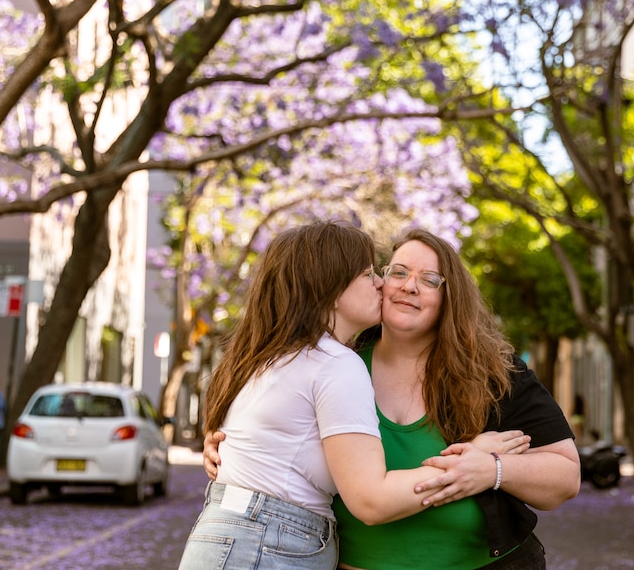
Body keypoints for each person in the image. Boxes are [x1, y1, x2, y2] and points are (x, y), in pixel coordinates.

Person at [205, 228, 581, 570]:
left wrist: (492, 470)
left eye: (429, 280)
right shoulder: (337, 364)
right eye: (397, 272)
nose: (409, 286)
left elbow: (565, 476)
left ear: (451, 298)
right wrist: (234, 447)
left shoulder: (494, 373)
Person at [178, 221, 454, 570]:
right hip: (269, 543)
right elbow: (372, 500)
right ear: (331, 289)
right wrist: (471, 466)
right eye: (369, 274)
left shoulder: (265, 356)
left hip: (227, 533)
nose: (382, 284)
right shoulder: (335, 364)